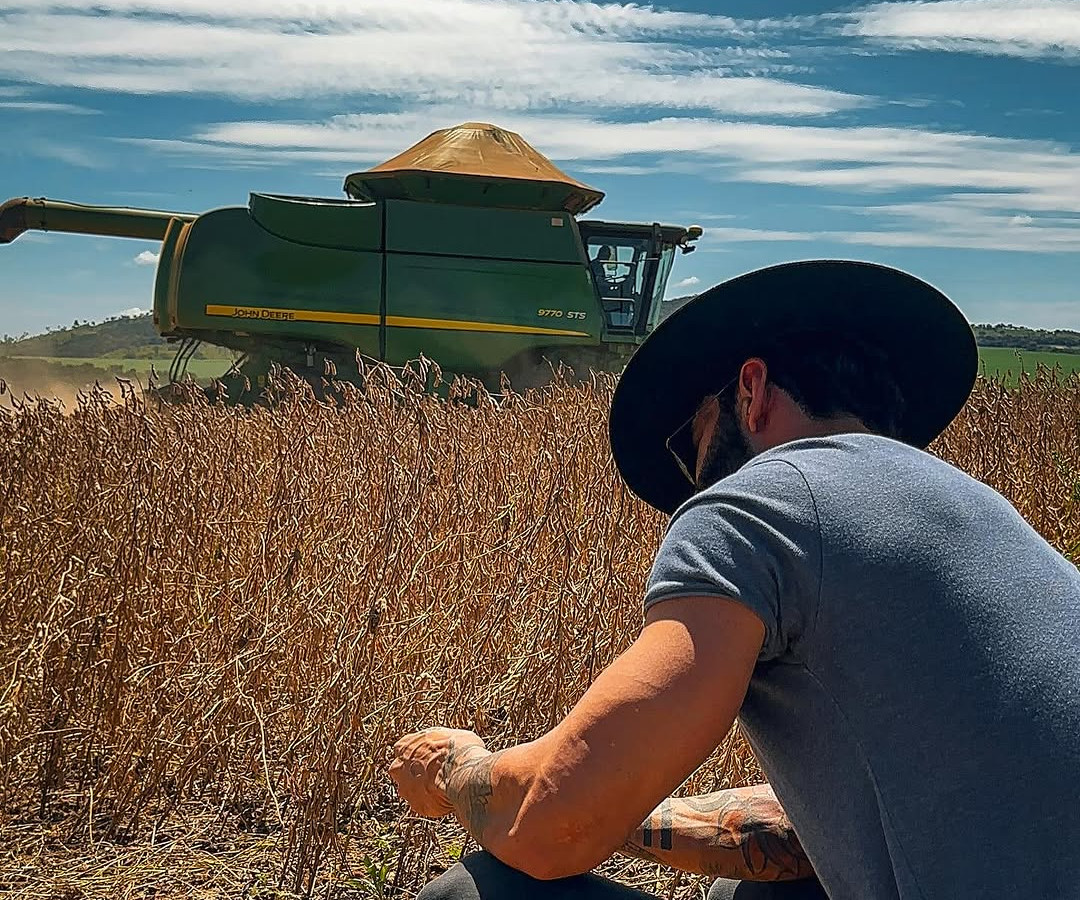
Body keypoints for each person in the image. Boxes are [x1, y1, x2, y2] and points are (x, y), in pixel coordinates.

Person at [390, 260, 1080, 899]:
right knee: (757, 890)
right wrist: (618, 798)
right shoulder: (985, 516)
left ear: (750, 394)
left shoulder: (761, 504)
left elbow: (555, 826)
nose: (695, 477)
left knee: (478, 893)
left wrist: (458, 769)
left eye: (692, 436)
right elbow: (795, 832)